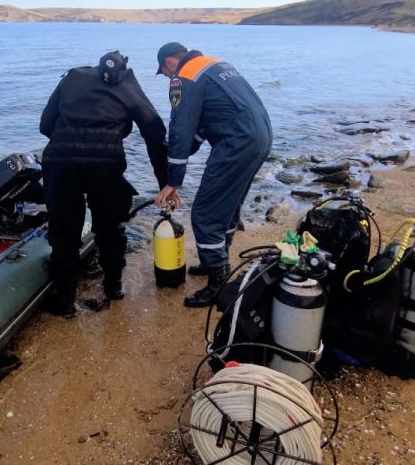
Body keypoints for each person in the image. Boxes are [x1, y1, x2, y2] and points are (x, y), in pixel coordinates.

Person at [40, 51, 168, 318]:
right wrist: (165, 182)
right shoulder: (126, 83)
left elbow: (45, 125)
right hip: (106, 163)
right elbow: (154, 131)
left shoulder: (71, 77)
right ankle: (113, 287)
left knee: (64, 233)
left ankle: (64, 302)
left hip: (61, 160)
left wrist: (71, 138)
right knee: (110, 228)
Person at [153, 42, 272, 307]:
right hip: (261, 135)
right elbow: (206, 123)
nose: (168, 77)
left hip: (237, 142)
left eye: (164, 71)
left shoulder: (184, 77)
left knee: (205, 214)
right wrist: (183, 154)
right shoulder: (216, 64)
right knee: (227, 208)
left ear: (170, 61)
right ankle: (215, 260)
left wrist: (173, 180)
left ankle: (218, 283)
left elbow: (181, 129)